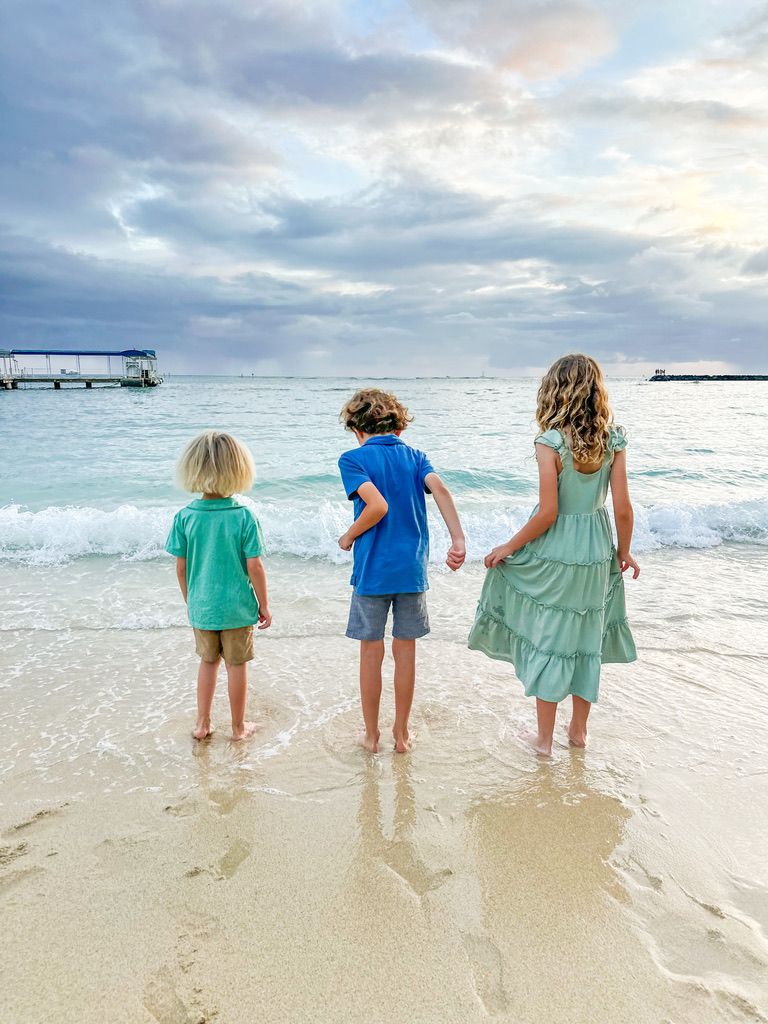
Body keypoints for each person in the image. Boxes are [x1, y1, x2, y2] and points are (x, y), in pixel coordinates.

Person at [468, 354, 638, 755]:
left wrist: (509, 546)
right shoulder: (613, 439)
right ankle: (579, 732)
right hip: (596, 550)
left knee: (551, 641)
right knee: (585, 640)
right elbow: (624, 507)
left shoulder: (551, 443)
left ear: (554, 390)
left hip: (557, 553)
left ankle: (544, 740)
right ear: (596, 390)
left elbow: (548, 513)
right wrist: (623, 552)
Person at [337, 388, 466, 753]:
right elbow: (440, 489)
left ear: (356, 427)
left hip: (373, 573)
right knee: (405, 651)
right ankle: (402, 733)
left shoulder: (353, 459)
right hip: (411, 571)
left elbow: (377, 507)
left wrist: (348, 536)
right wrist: (457, 540)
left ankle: (371, 735)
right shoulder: (416, 457)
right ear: (398, 424)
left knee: (371, 653)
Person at [165, 430, 271, 741]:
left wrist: (191, 600)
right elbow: (255, 566)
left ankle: (202, 724)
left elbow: (181, 568)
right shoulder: (244, 517)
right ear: (239, 470)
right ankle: (238, 728)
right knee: (236, 666)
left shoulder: (185, 517)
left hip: (203, 606)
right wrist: (263, 604)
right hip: (238, 608)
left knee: (207, 662)